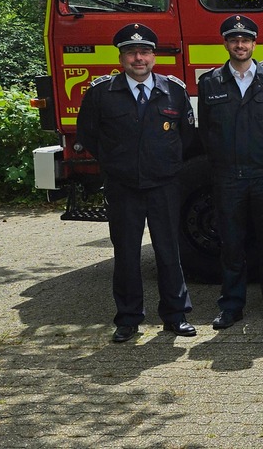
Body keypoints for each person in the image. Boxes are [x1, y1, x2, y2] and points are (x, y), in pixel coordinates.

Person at [76, 23, 197, 343]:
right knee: (127, 253)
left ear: (154, 56)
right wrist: (117, 162)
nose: (138, 58)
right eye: (131, 53)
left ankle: (175, 315)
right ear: (121, 57)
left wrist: (163, 164)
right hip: (123, 185)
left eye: (144, 52)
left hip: (164, 184)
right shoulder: (101, 92)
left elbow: (186, 136)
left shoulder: (174, 90)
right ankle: (128, 318)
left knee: (169, 251)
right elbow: (88, 134)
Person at [198, 15, 263, 329]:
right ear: (226, 43)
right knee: (231, 244)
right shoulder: (210, 82)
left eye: (246, 40)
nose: (240, 45)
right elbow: (206, 132)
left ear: (255, 43)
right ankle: (231, 305)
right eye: (234, 39)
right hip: (228, 176)